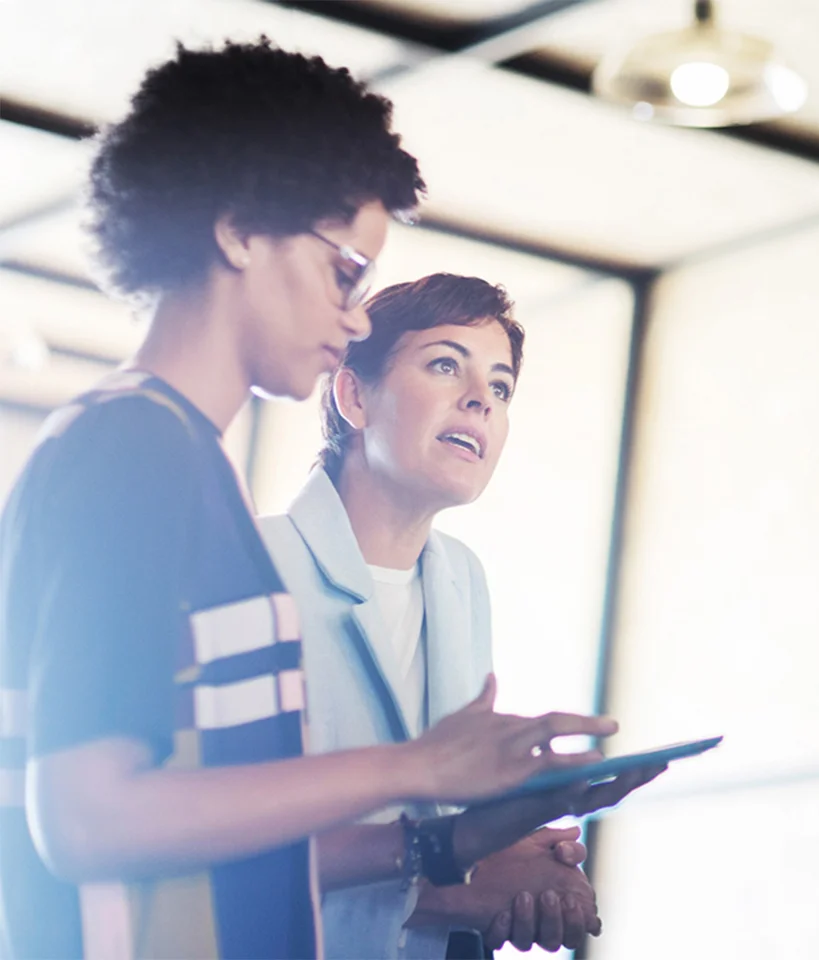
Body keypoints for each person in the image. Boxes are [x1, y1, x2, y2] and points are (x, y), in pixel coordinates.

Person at [0, 41, 617, 960]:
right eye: (343, 272)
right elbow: (88, 820)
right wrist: (422, 768)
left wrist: (450, 841)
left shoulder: (181, 463)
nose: (356, 316)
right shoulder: (130, 448)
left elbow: (219, 833)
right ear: (241, 229)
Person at [261, 273, 657, 959]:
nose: (480, 400)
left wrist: (510, 838)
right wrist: (456, 883)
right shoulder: (254, 564)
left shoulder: (460, 579)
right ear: (354, 394)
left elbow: (431, 816)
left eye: (501, 388)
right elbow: (221, 838)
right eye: (445, 364)